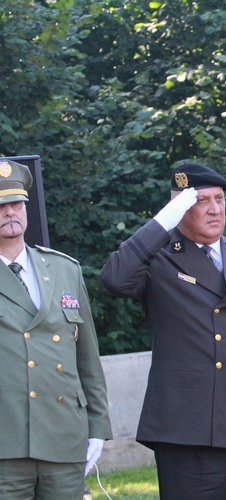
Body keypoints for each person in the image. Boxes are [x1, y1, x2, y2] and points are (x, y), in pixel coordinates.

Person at [101, 163, 226, 499]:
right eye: (202, 201)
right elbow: (115, 279)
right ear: (179, 208)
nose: (215, 209)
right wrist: (163, 222)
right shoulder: (159, 257)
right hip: (187, 430)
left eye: (219, 199)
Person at [0, 159, 112, 499]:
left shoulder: (64, 269)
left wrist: (98, 426)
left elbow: (87, 357)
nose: (10, 213)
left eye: (16, 203)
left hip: (63, 434)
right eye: (1, 206)